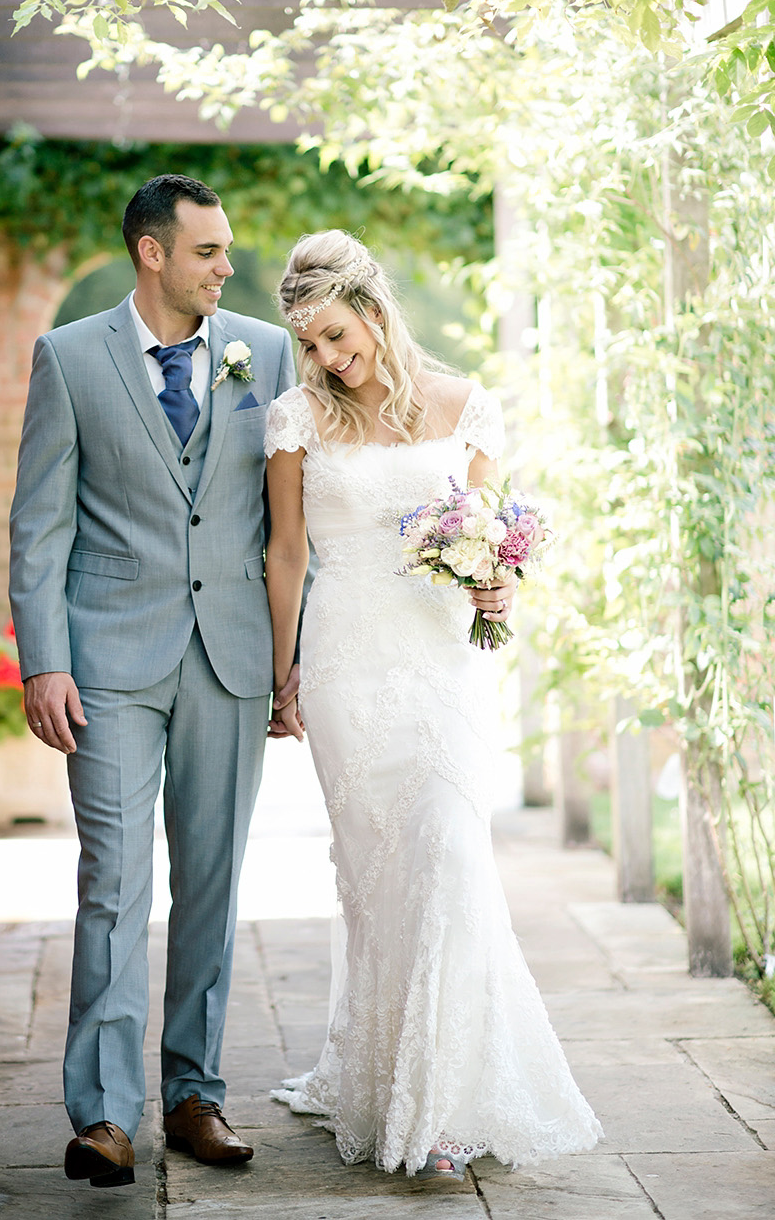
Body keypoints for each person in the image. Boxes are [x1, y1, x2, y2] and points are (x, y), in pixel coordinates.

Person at [263, 230, 602, 1176]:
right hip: (343, 663)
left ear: (372, 310)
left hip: (441, 661)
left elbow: (483, 539)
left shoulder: (467, 404)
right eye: (312, 344)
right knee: (378, 883)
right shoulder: (294, 418)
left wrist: (497, 586)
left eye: (337, 334)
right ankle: (383, 1079)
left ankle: (444, 1106)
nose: (329, 359)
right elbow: (286, 553)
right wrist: (279, 671)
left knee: (452, 856)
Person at [9, 175, 300, 1187]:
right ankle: (100, 1116)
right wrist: (44, 656)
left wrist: (292, 659)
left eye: (226, 251)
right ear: (152, 253)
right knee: (114, 881)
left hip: (229, 654)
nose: (228, 267)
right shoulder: (71, 357)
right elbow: (40, 521)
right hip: (108, 660)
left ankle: (194, 1094)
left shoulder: (263, 353)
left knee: (213, 885)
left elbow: (287, 523)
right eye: (209, 252)